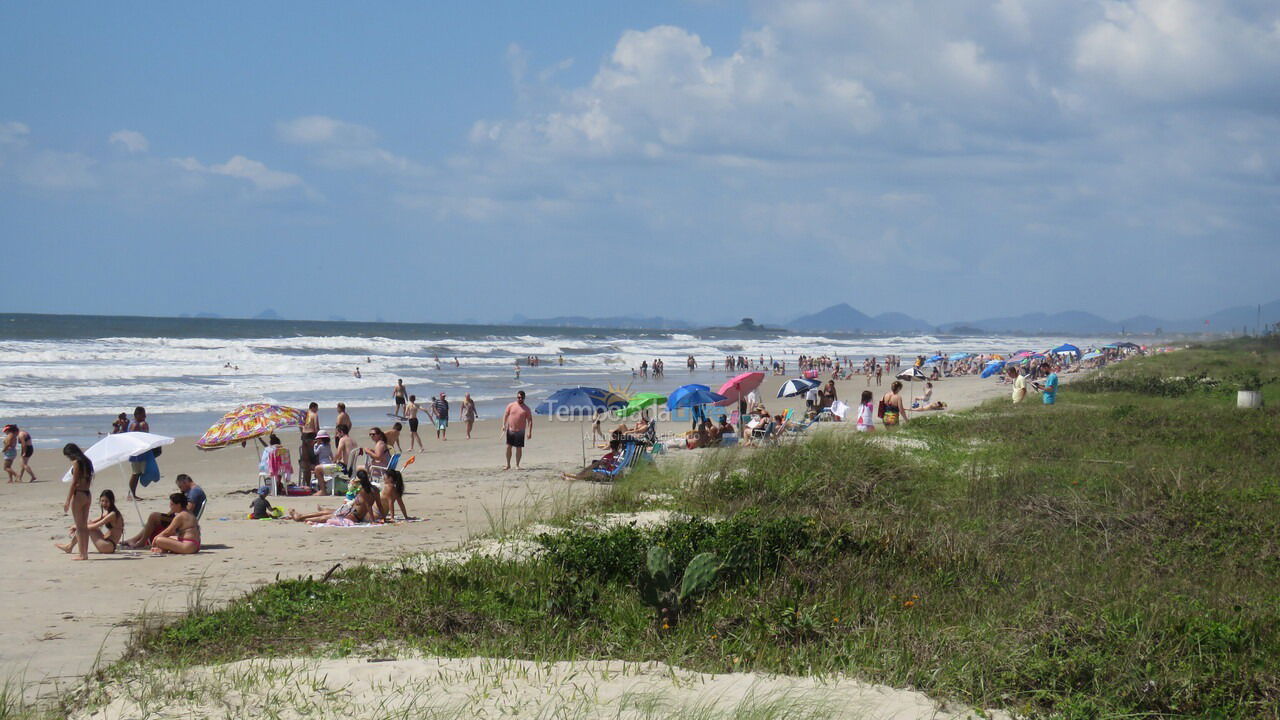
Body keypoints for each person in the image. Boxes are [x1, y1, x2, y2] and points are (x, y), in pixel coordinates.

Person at [121, 474, 207, 549]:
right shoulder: (194, 490)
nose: (181, 490)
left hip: (182, 520)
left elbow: (188, 510)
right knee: (153, 518)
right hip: (182, 518)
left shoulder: (194, 492)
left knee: (153, 516)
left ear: (185, 482)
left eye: (181, 487)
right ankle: (136, 540)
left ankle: (141, 542)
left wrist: (173, 512)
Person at [58, 489, 123, 554]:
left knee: (87, 528)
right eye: (102, 501)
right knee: (88, 524)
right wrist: (78, 527)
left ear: (111, 501)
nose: (104, 503)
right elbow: (91, 522)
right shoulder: (109, 513)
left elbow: (96, 525)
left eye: (106, 501)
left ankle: (69, 547)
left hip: (108, 546)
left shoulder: (113, 514)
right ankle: (69, 546)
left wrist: (77, 527)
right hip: (107, 544)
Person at [61, 443, 94, 560]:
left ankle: (82, 554)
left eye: (68, 455)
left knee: (80, 527)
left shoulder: (76, 463)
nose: (69, 458)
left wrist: (67, 500)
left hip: (79, 494)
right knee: (84, 526)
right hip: (87, 493)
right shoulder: (87, 462)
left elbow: (74, 483)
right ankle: (85, 553)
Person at [502, 390, 533, 470]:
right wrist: (503, 425)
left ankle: (517, 465)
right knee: (509, 447)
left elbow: (530, 421)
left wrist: (529, 432)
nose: (520, 399)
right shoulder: (511, 405)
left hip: (520, 431)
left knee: (519, 448)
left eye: (521, 398)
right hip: (511, 429)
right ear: (517, 397)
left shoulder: (526, 409)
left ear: (524, 398)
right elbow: (505, 415)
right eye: (518, 397)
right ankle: (508, 464)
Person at [126, 406, 150, 499]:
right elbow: (134, 438)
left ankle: (132, 494)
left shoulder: (134, 423)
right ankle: (131, 494)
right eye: (143, 415)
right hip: (136, 451)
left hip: (137, 451)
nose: (145, 417)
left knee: (137, 473)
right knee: (135, 473)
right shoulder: (135, 425)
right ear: (138, 415)